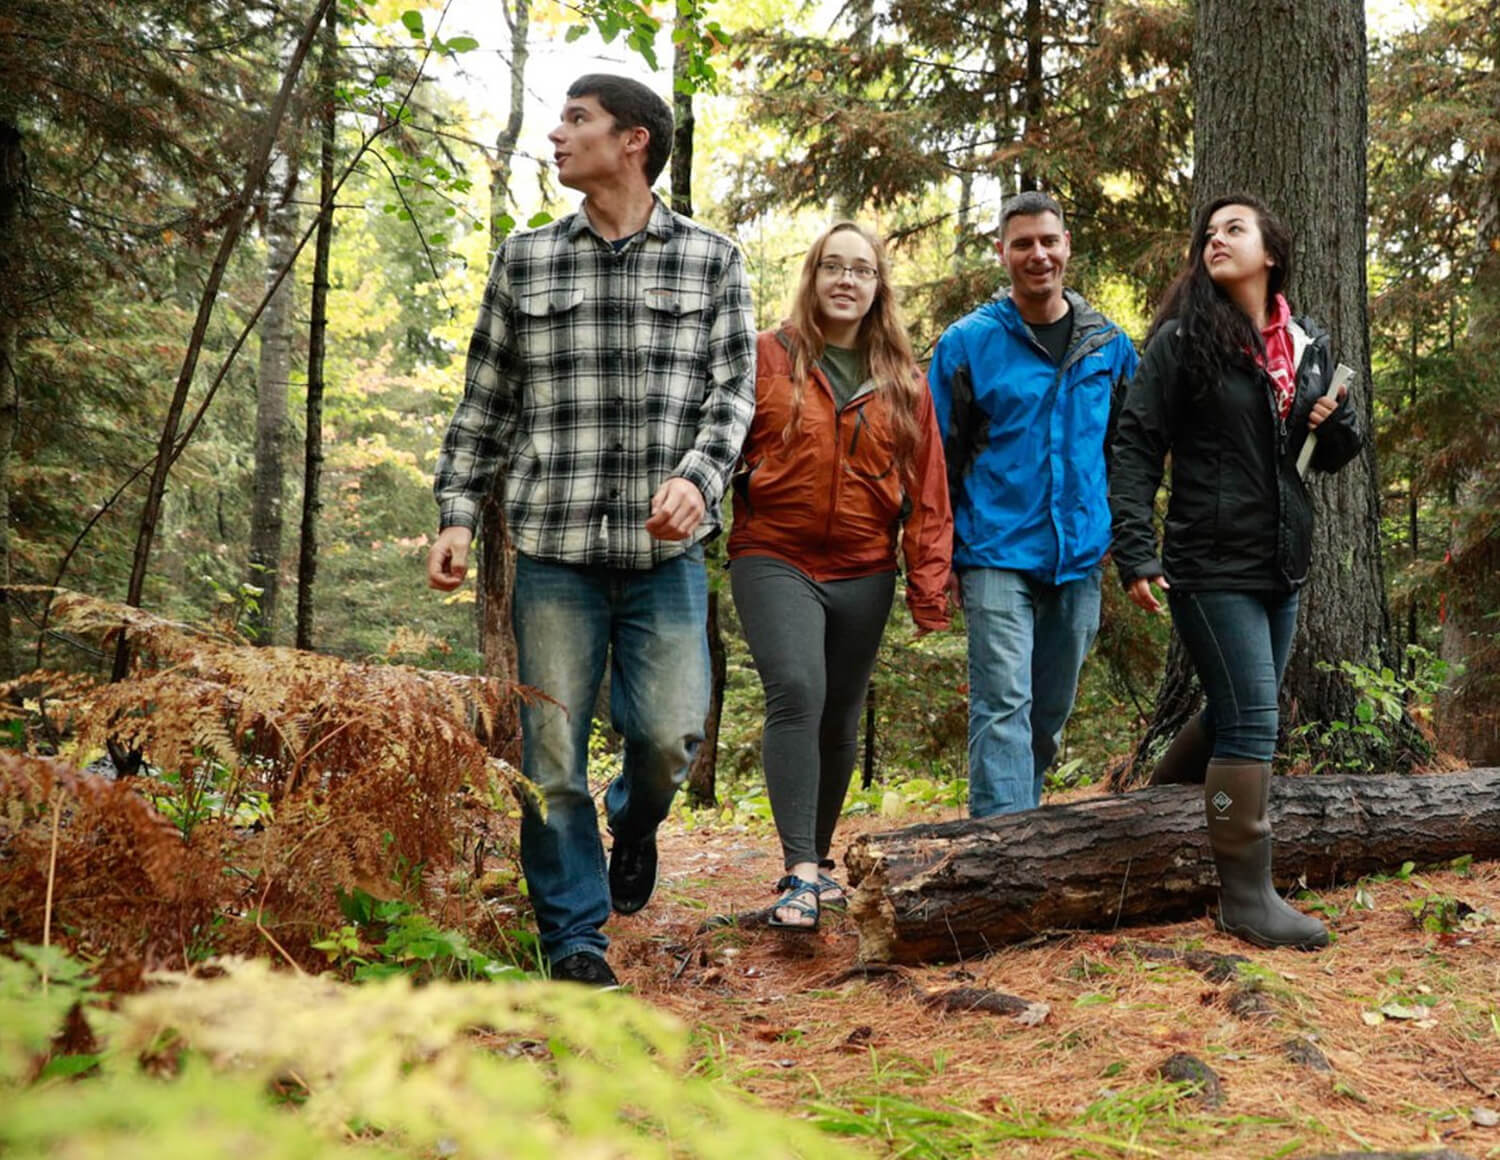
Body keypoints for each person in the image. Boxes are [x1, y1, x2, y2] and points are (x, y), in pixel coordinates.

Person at [426, 74, 756, 985]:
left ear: (634, 141)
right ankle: (574, 938)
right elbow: (485, 404)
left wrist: (699, 477)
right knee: (551, 758)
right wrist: (458, 514)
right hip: (554, 555)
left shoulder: (713, 259)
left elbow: (734, 394)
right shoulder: (525, 260)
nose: (558, 136)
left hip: (666, 556)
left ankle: (637, 822)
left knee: (669, 739)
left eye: (578, 121)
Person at [1109, 193, 1362, 950]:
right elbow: (1134, 446)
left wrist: (1336, 424)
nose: (1216, 240)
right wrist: (1136, 550)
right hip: (1209, 560)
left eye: (1234, 229)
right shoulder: (1185, 340)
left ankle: (1153, 814)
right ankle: (1245, 898)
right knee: (1254, 721)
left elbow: (1324, 458)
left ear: (1270, 253)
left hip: (1280, 560)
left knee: (1233, 713)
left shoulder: (1304, 343)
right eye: (1209, 233)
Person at [727, 222, 952, 930]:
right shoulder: (767, 357)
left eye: (861, 269)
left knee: (841, 715)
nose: (846, 280)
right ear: (813, 277)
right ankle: (798, 871)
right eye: (833, 267)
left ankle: (816, 866)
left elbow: (931, 494)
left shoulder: (904, 383)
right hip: (773, 552)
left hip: (864, 566)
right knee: (797, 688)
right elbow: (718, 446)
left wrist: (928, 590)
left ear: (879, 285)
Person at [928, 191, 1139, 818]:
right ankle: (1001, 850)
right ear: (1003, 253)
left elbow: (1129, 454)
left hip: (1078, 557)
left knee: (1048, 711)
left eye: (1049, 241)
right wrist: (939, 560)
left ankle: (1021, 815)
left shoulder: (1110, 347)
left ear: (1067, 246)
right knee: (1001, 704)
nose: (1038, 254)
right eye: (1023, 244)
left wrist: (1127, 545)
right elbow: (938, 458)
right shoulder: (968, 344)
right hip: (994, 551)